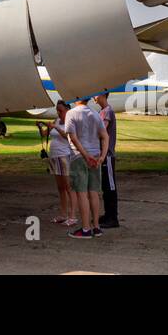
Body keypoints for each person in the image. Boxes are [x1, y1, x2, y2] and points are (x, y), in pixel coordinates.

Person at [63, 95, 108, 239]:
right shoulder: (95, 113)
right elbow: (105, 136)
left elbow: (73, 138)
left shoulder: (71, 113)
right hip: (95, 155)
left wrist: (85, 155)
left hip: (79, 157)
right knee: (93, 192)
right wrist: (102, 156)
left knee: (81, 193)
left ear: (76, 98)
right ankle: (96, 227)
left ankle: (86, 229)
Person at [43, 100, 77, 226]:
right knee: (60, 188)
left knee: (69, 187)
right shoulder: (56, 120)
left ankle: (72, 215)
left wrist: (56, 127)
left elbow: (66, 136)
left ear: (67, 110)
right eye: (57, 110)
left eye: (60, 110)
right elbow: (45, 133)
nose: (58, 113)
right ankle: (63, 214)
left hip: (65, 156)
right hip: (54, 156)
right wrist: (41, 127)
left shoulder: (70, 122)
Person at [95, 90, 119, 228]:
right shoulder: (102, 111)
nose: (94, 97)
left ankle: (113, 218)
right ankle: (108, 214)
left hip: (108, 156)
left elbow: (102, 131)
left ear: (103, 95)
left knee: (110, 187)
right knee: (105, 187)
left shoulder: (107, 111)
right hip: (102, 155)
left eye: (96, 94)